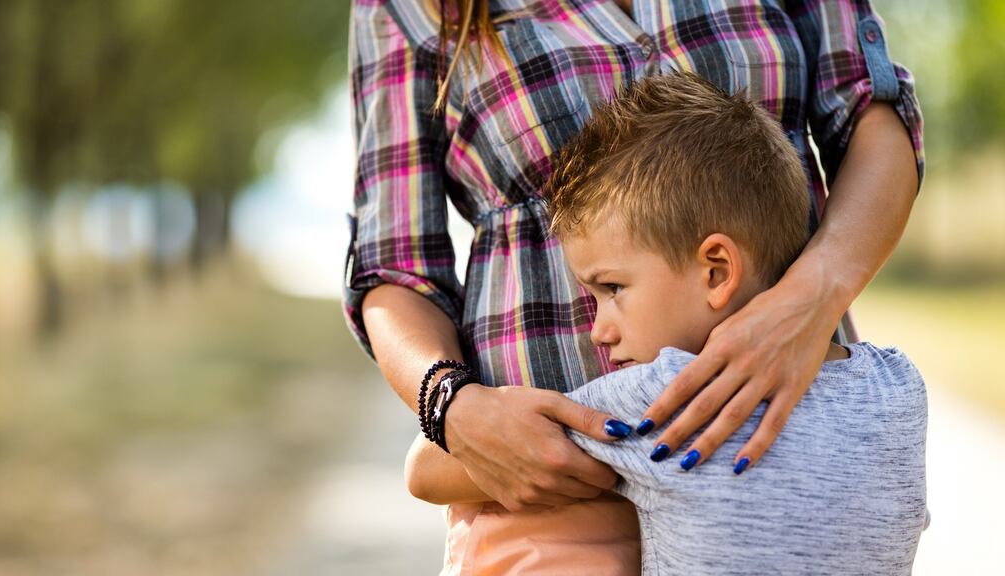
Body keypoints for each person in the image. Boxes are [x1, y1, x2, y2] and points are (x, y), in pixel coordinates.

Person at [345, 0, 923, 572]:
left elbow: (872, 112)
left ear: (718, 269)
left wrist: (812, 295)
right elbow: (395, 265)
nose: (602, 327)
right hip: (548, 522)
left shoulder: (652, 401)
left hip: (731, 431)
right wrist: (456, 408)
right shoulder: (895, 384)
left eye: (611, 288)